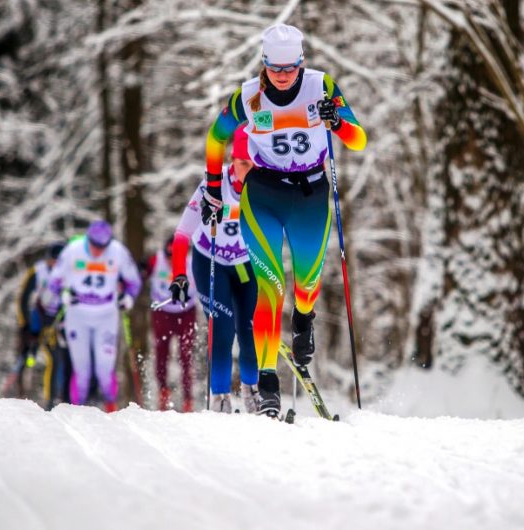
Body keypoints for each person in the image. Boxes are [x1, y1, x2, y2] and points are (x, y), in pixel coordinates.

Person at [202, 23, 367, 417]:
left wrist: (338, 121)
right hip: (264, 194)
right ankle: (268, 384)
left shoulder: (321, 86)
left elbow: (359, 139)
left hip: (310, 195)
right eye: (274, 68)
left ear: (301, 63)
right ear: (264, 64)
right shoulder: (248, 97)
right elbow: (215, 138)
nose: (281, 76)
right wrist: (212, 186)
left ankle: (305, 317)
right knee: (270, 288)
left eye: (289, 68)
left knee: (307, 283)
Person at [169, 125, 260, 413]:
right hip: (210, 262)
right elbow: (183, 233)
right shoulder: (213, 184)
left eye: (255, 164)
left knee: (248, 327)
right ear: (233, 160)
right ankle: (219, 397)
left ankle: (253, 392)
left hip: (245, 264)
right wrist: (178, 275)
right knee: (223, 328)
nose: (249, 171)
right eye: (243, 163)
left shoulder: (263, 185)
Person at [46, 220, 142, 412]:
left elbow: (134, 282)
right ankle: (77, 410)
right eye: (95, 245)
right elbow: (54, 281)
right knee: (82, 370)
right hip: (78, 314)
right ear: (87, 239)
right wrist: (63, 294)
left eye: (103, 247)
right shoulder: (73, 250)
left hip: (106, 313)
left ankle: (111, 407)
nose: (99, 251)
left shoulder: (117, 251)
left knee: (104, 369)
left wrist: (128, 299)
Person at [146, 237, 198, 412]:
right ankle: (163, 392)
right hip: (163, 311)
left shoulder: (191, 263)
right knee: (161, 351)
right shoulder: (156, 260)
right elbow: (141, 273)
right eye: (169, 255)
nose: (171, 260)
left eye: (176, 256)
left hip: (186, 312)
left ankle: (188, 399)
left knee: (186, 354)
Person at [12, 242, 63, 399]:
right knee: (28, 354)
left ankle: (52, 398)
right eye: (53, 260)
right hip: (38, 316)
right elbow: (23, 298)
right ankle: (19, 392)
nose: (55, 264)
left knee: (56, 359)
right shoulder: (38, 271)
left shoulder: (68, 272)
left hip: (57, 318)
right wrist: (24, 324)